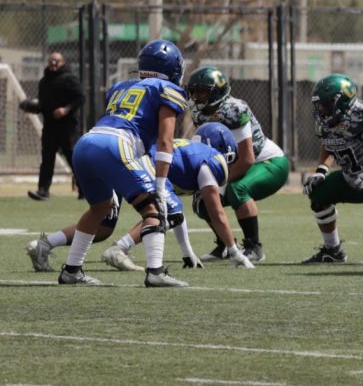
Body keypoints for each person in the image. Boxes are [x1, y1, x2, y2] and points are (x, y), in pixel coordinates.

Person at [32, 124, 254, 274]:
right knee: (162, 212)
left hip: (121, 158)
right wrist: (234, 251)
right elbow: (216, 212)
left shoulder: (188, 154)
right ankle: (120, 249)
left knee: (102, 226)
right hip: (137, 164)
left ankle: (44, 244)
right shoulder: (211, 159)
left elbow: (176, 211)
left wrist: (188, 253)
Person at [55, 39, 189, 287]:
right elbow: (165, 141)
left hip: (87, 142)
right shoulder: (167, 89)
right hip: (116, 144)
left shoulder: (121, 86)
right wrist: (160, 186)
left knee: (100, 208)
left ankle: (72, 270)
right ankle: (156, 272)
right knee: (154, 209)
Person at [186, 66, 289, 262]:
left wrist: (219, 182)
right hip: (238, 164)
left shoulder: (234, 109)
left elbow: (247, 158)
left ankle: (254, 247)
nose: (196, 97)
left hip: (268, 162)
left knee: (237, 189)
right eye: (194, 92)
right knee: (203, 201)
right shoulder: (200, 113)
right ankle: (226, 245)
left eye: (201, 92)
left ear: (217, 91)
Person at [301, 74, 363, 263]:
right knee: (318, 192)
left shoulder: (362, 116)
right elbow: (329, 142)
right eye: (319, 104)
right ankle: (332, 251)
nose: (321, 109)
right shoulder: (326, 119)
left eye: (326, 104)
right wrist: (321, 170)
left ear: (342, 100)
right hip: (351, 176)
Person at [24, 51, 84, 201]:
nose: (53, 63)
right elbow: (43, 104)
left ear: (62, 63)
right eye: (51, 60)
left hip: (68, 127)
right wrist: (32, 107)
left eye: (57, 61)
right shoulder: (44, 81)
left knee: (73, 158)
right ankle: (43, 191)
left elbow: (80, 98)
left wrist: (66, 109)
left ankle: (85, 189)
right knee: (47, 159)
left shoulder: (69, 79)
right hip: (50, 126)